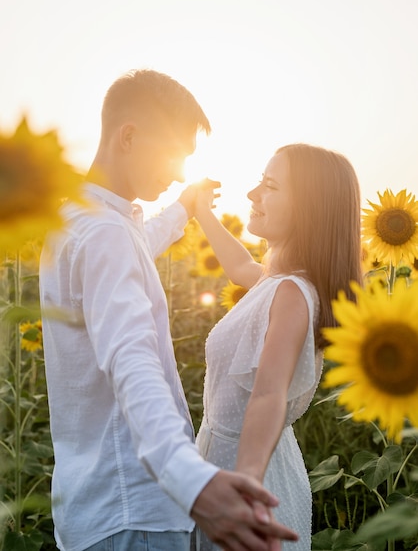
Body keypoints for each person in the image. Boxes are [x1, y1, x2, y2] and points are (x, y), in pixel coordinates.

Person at [39, 69, 298, 551]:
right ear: (130, 137)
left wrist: (184, 208)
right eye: (173, 154)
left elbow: (135, 245)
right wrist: (192, 483)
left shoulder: (80, 222)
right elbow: (131, 361)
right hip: (135, 514)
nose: (180, 172)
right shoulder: (106, 235)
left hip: (90, 510)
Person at [194, 143, 363, 550]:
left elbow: (269, 392)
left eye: (269, 185)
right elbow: (238, 267)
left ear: (309, 208)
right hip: (245, 463)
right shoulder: (277, 282)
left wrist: (248, 481)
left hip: (249, 469)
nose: (253, 195)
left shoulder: (291, 293)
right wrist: (201, 211)